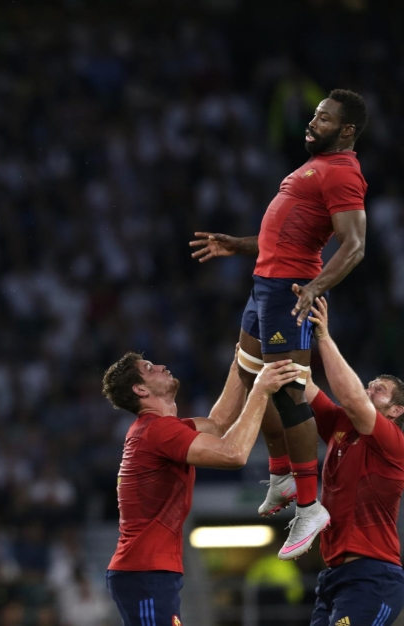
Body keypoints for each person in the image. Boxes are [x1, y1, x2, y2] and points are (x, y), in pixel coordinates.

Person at [190, 88, 369, 559]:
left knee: (289, 394)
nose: (313, 123)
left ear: (347, 130)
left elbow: (354, 246)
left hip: (290, 290)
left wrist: (314, 289)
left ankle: (310, 507)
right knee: (255, 381)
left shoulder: (344, 174)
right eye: (315, 115)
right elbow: (285, 233)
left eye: (325, 119)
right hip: (266, 285)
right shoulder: (318, 166)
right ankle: (283, 474)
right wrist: (238, 244)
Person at [102, 350, 299, 626]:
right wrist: (260, 389)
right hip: (145, 572)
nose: (161, 365)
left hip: (148, 572)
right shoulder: (158, 431)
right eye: (149, 368)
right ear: (140, 389)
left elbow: (219, 424)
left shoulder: (160, 429)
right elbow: (233, 454)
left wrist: (241, 361)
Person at [303, 297, 404, 625]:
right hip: (333, 577)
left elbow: (351, 397)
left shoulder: (392, 440)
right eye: (370, 385)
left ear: (396, 411)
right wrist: (276, 336)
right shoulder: (341, 423)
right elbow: (301, 383)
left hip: (373, 576)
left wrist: (323, 335)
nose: (371, 387)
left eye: (381, 390)